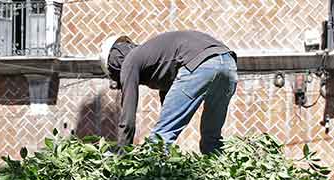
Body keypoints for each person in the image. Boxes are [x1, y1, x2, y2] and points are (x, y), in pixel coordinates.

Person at [101, 30, 238, 155]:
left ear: (114, 64)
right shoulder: (155, 57)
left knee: (159, 139)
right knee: (211, 140)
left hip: (200, 63)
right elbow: (168, 103)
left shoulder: (130, 61)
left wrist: (122, 153)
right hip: (228, 63)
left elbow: (128, 117)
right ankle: (220, 175)